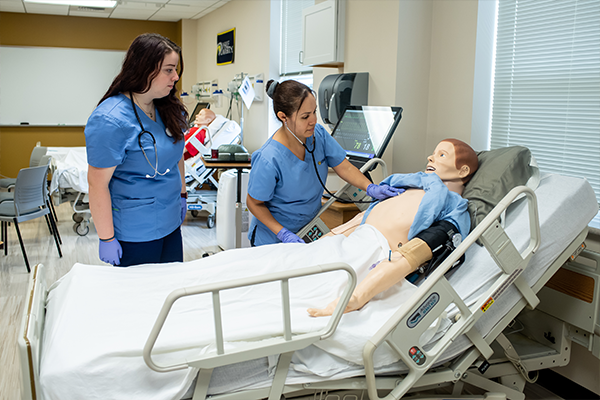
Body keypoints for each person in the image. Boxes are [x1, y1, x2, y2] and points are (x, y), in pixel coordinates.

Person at [307, 138, 478, 317]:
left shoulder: (454, 207)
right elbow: (359, 220)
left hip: (373, 256)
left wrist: (356, 297)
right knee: (285, 264)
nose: (430, 158)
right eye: (433, 154)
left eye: (441, 155)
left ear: (463, 170)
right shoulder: (405, 185)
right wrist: (312, 248)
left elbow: (412, 254)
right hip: (347, 243)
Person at [247, 79, 403, 246]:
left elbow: (343, 166)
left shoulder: (318, 135)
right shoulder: (268, 158)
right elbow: (254, 203)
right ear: (283, 117)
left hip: (307, 229)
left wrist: (371, 188)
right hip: (273, 238)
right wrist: (283, 233)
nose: (313, 120)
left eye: (314, 112)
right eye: (305, 116)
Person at [85, 33, 189, 267]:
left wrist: (182, 194)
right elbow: (97, 184)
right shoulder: (110, 120)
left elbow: (176, 154)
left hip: (171, 222)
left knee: (170, 291)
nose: (176, 76)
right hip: (135, 232)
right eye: (169, 70)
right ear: (145, 69)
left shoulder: (167, 107)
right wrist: (107, 237)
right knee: (142, 299)